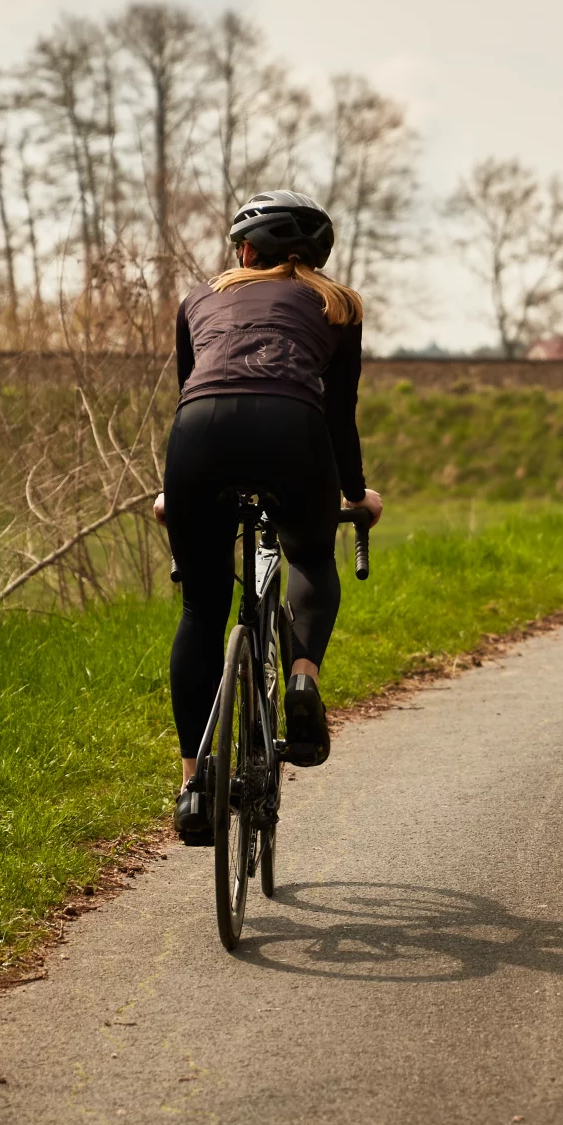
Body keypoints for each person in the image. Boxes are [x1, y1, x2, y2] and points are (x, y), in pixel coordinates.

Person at [156, 191, 383, 847]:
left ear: (247, 251)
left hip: (199, 440)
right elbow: (338, 416)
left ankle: (193, 786)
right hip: (294, 432)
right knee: (309, 555)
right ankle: (303, 679)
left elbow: (195, 394)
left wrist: (174, 493)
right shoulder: (339, 305)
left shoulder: (199, 298)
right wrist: (357, 495)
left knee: (202, 608)